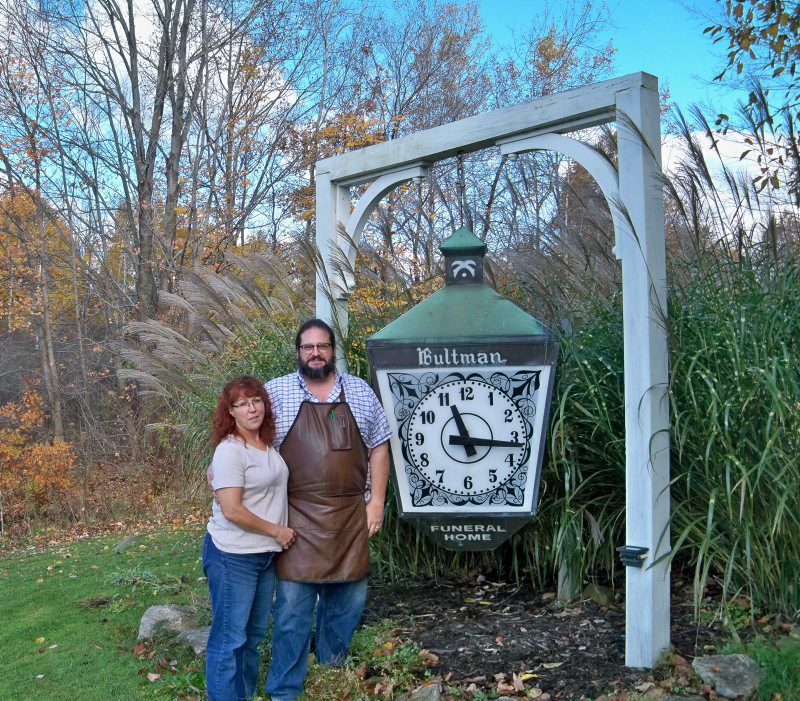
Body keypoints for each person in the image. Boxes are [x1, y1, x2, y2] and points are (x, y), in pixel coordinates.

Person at [264, 318, 391, 701]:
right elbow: (247, 441)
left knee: (349, 601)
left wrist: (377, 502)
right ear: (298, 352)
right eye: (308, 347)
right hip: (294, 516)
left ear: (333, 350)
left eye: (322, 346)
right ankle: (285, 688)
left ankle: (331, 673)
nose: (315, 353)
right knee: (291, 611)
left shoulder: (359, 391)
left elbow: (380, 445)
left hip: (351, 515)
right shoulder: (276, 393)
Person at [203, 375, 296, 701]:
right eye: (241, 404)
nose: (251, 408)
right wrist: (277, 531)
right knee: (229, 640)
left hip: (263, 555)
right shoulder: (231, 450)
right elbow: (232, 510)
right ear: (231, 412)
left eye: (255, 400)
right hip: (233, 555)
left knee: (252, 636)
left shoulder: (265, 445)